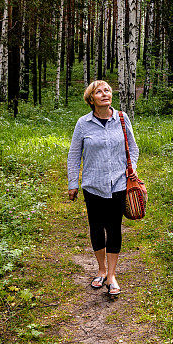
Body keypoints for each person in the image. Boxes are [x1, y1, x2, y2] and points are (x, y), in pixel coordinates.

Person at [67, 80, 139, 297]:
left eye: (107, 90)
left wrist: (131, 169)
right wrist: (73, 183)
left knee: (114, 228)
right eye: (99, 92)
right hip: (93, 185)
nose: (105, 94)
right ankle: (101, 269)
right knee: (97, 228)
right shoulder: (83, 123)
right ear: (91, 99)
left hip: (118, 183)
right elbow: (73, 155)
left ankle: (112, 276)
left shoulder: (122, 118)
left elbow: (133, 149)